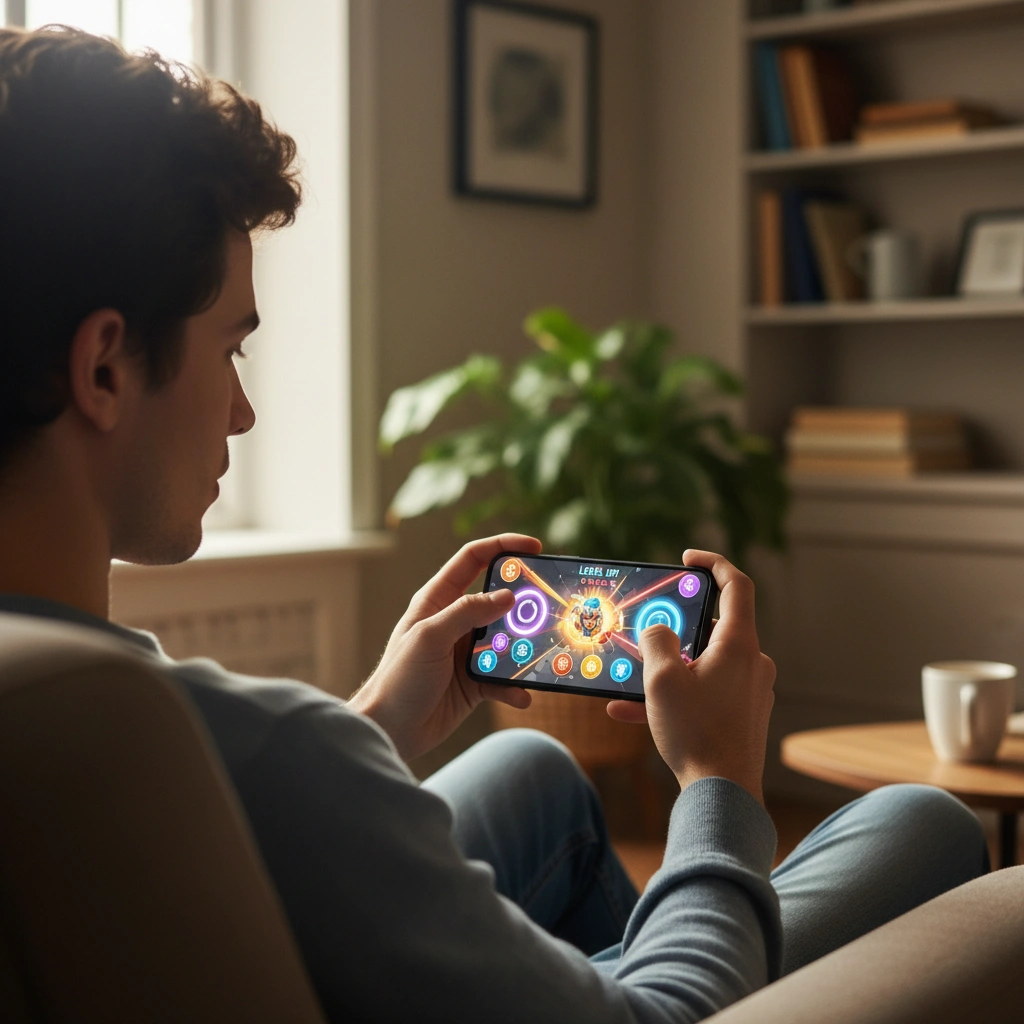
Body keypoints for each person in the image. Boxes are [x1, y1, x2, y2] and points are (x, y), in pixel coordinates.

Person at [0, 25, 988, 1023]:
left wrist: (371, 721)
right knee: (924, 822)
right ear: (102, 369)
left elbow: (249, 820)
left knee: (534, 766)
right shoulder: (267, 750)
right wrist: (717, 782)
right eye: (230, 350)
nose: (243, 411)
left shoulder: (117, 724)